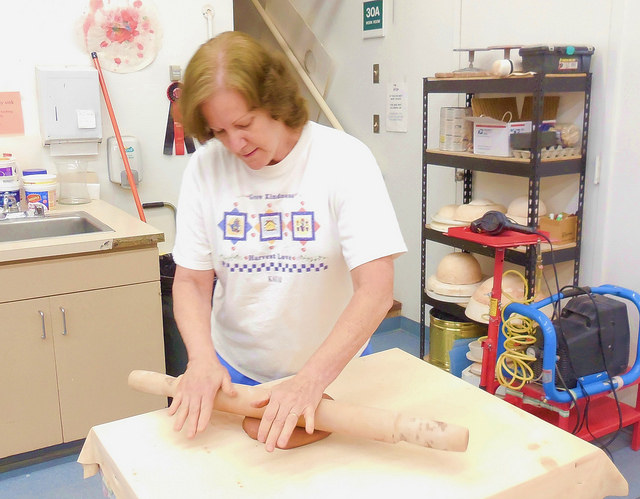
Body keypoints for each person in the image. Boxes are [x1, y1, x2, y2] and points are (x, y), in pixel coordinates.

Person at [169, 31, 407, 452]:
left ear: (276, 102)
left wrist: (311, 380)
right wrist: (202, 359)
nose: (235, 144)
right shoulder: (206, 167)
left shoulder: (343, 160)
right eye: (220, 131)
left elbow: (375, 291)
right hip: (235, 370)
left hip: (333, 372)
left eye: (244, 124)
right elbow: (191, 280)